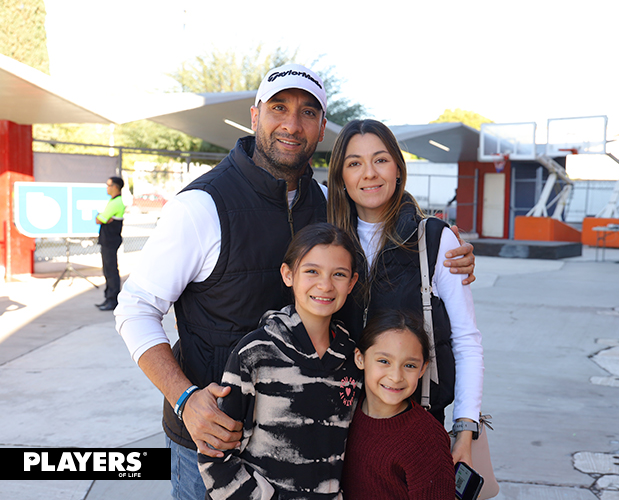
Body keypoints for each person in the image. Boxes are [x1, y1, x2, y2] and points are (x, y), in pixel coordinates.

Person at [115, 63, 476, 500]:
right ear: (254, 116)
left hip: (312, 452)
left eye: (308, 112)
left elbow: (380, 214)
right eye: (278, 107)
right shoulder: (201, 206)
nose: (291, 124)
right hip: (215, 442)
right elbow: (135, 308)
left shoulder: (326, 205)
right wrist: (186, 398)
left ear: (322, 128)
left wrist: (445, 246)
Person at [327, 119, 484, 467]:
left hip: (416, 428)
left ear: (398, 169)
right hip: (339, 430)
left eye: (380, 160)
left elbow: (466, 340)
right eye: (354, 163)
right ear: (340, 177)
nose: (369, 173)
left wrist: (465, 428)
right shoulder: (326, 243)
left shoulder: (434, 240)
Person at [198, 223, 360, 499]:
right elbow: (215, 457)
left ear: (352, 283)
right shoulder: (255, 353)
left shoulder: (353, 361)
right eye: (312, 271)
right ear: (288, 275)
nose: (325, 285)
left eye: (339, 274)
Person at [342, 309, 455, 499]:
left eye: (409, 365)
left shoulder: (427, 440)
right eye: (384, 361)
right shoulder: (345, 412)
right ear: (360, 358)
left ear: (423, 369)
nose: (396, 377)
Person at [95, 176, 126, 311]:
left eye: (108, 185)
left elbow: (99, 219)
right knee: (107, 270)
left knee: (111, 270)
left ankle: (113, 300)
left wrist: (102, 218)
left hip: (110, 241)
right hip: (107, 240)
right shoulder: (113, 201)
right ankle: (108, 298)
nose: (107, 188)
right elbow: (102, 218)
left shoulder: (116, 202)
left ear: (115, 187)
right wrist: (103, 218)